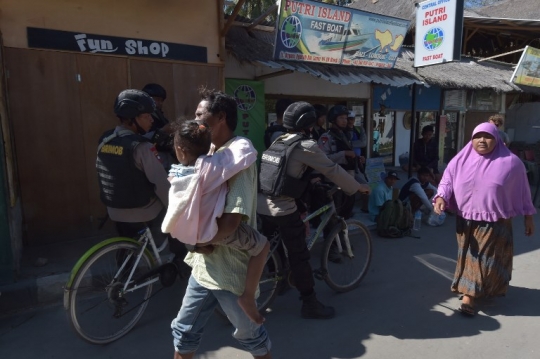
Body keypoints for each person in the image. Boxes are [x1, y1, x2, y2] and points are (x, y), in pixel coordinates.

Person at [171, 89, 272, 359]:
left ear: (221, 117)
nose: (196, 120)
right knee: (183, 333)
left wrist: (197, 239)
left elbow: (230, 223)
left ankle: (248, 297)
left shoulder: (237, 159)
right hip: (203, 269)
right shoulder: (209, 153)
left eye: (200, 114)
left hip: (230, 273)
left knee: (253, 339)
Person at [257, 101, 371, 319]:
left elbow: (287, 172)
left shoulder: (278, 141)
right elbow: (332, 169)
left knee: (273, 246)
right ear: (308, 123)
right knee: (300, 256)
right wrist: (357, 186)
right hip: (282, 207)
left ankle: (278, 283)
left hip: (262, 203)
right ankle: (309, 303)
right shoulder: (305, 146)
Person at [162, 119, 269, 324]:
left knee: (184, 330)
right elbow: (242, 156)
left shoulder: (176, 173)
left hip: (190, 231)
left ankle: (205, 247)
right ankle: (248, 296)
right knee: (263, 246)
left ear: (180, 151)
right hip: (215, 230)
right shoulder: (210, 168)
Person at [434, 122, 536, 317]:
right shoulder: (460, 160)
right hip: (465, 218)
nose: (482, 140)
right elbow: (447, 180)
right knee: (470, 255)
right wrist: (441, 197)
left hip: (495, 220)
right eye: (477, 136)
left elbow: (523, 192)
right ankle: (472, 290)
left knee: (486, 257)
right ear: (471, 139)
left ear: (496, 139)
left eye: (487, 136)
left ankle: (470, 295)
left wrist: (528, 218)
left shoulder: (511, 163)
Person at [96, 89, 187, 272]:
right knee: (176, 211)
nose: (151, 120)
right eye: (146, 116)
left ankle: (122, 274)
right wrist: (178, 208)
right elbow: (161, 184)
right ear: (132, 119)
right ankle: (179, 259)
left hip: (113, 209)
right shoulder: (142, 147)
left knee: (126, 238)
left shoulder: (105, 139)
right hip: (141, 211)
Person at [318, 105, 358, 219]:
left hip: (348, 178)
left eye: (346, 118)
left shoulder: (345, 135)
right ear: (333, 119)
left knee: (347, 209)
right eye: (341, 118)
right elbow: (322, 159)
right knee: (335, 214)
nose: (345, 121)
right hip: (334, 180)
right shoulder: (326, 137)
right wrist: (343, 154)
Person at [142, 83, 175, 170]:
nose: (159, 103)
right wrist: (163, 131)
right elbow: (142, 141)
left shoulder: (161, 117)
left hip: (166, 163)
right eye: (156, 99)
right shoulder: (140, 119)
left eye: (161, 100)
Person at [346, 110, 368, 184]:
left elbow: (364, 143)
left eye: (351, 119)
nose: (350, 121)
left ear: (354, 119)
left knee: (364, 183)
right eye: (348, 119)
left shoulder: (359, 129)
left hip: (358, 161)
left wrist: (349, 143)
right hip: (347, 162)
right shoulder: (342, 131)